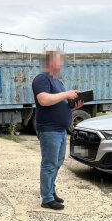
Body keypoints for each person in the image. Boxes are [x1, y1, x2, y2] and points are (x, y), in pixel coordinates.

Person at [32, 50, 83, 210]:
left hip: (60, 129)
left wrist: (74, 106)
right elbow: (44, 99)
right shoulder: (42, 78)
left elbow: (59, 103)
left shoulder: (57, 82)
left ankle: (51, 191)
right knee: (49, 163)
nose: (61, 64)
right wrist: (66, 94)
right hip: (49, 129)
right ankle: (46, 199)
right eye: (58, 61)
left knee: (58, 162)